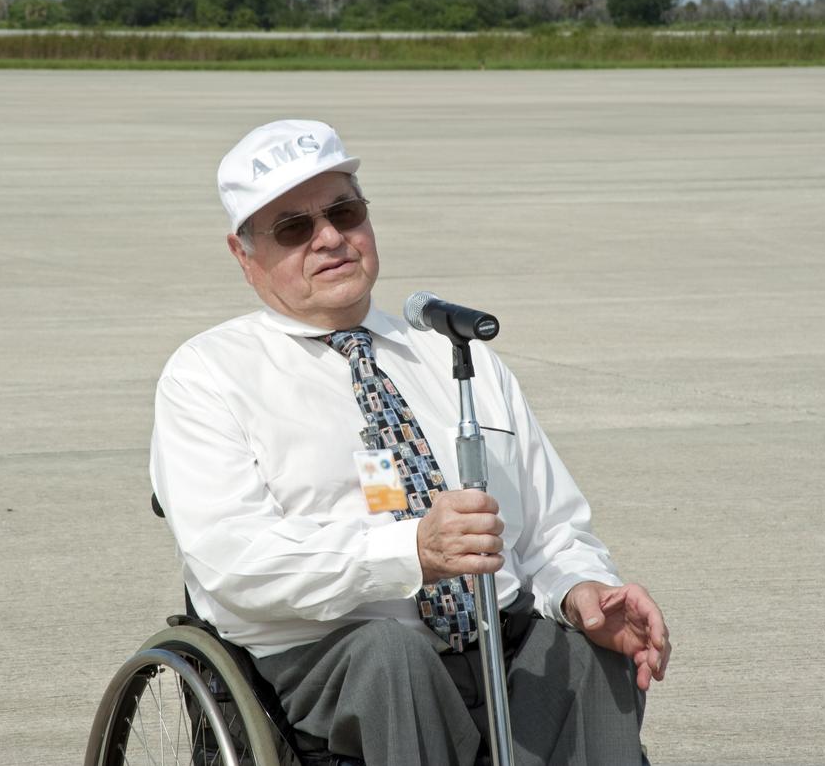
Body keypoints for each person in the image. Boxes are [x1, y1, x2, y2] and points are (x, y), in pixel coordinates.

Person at [151, 119, 671, 766]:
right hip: (328, 652)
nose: (331, 237)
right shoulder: (210, 372)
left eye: (345, 211)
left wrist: (583, 588)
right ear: (243, 252)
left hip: (494, 636)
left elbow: (551, 529)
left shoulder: (453, 354)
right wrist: (409, 551)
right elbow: (233, 563)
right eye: (294, 227)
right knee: (394, 656)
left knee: (587, 651)